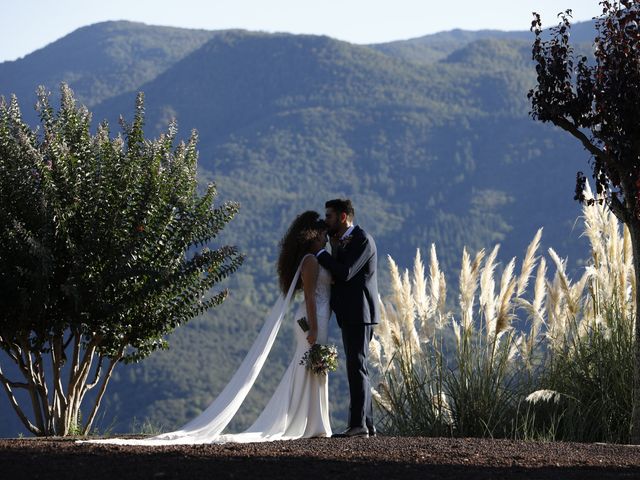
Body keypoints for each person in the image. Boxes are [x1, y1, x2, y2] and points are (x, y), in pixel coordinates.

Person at [82, 211, 332, 445]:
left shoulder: (313, 259)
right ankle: (309, 422)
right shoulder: (310, 261)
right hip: (312, 320)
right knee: (308, 365)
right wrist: (313, 327)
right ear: (312, 236)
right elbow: (309, 296)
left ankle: (311, 421)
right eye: (322, 236)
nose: (324, 240)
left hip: (316, 318)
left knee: (310, 366)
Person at [313, 199, 379, 438]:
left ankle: (358, 425)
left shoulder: (362, 239)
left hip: (360, 312)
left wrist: (320, 252)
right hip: (350, 312)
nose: (326, 220)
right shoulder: (341, 241)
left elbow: (346, 272)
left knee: (357, 366)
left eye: (329, 216)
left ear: (343, 217)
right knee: (357, 366)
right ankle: (366, 424)